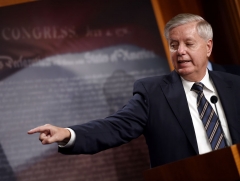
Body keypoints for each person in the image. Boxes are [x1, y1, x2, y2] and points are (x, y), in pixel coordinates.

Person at [28, 13, 240, 168]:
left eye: (189, 43)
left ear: (208, 47)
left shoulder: (235, 86)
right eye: (174, 45)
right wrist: (67, 133)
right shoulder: (153, 92)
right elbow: (115, 127)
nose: (180, 51)